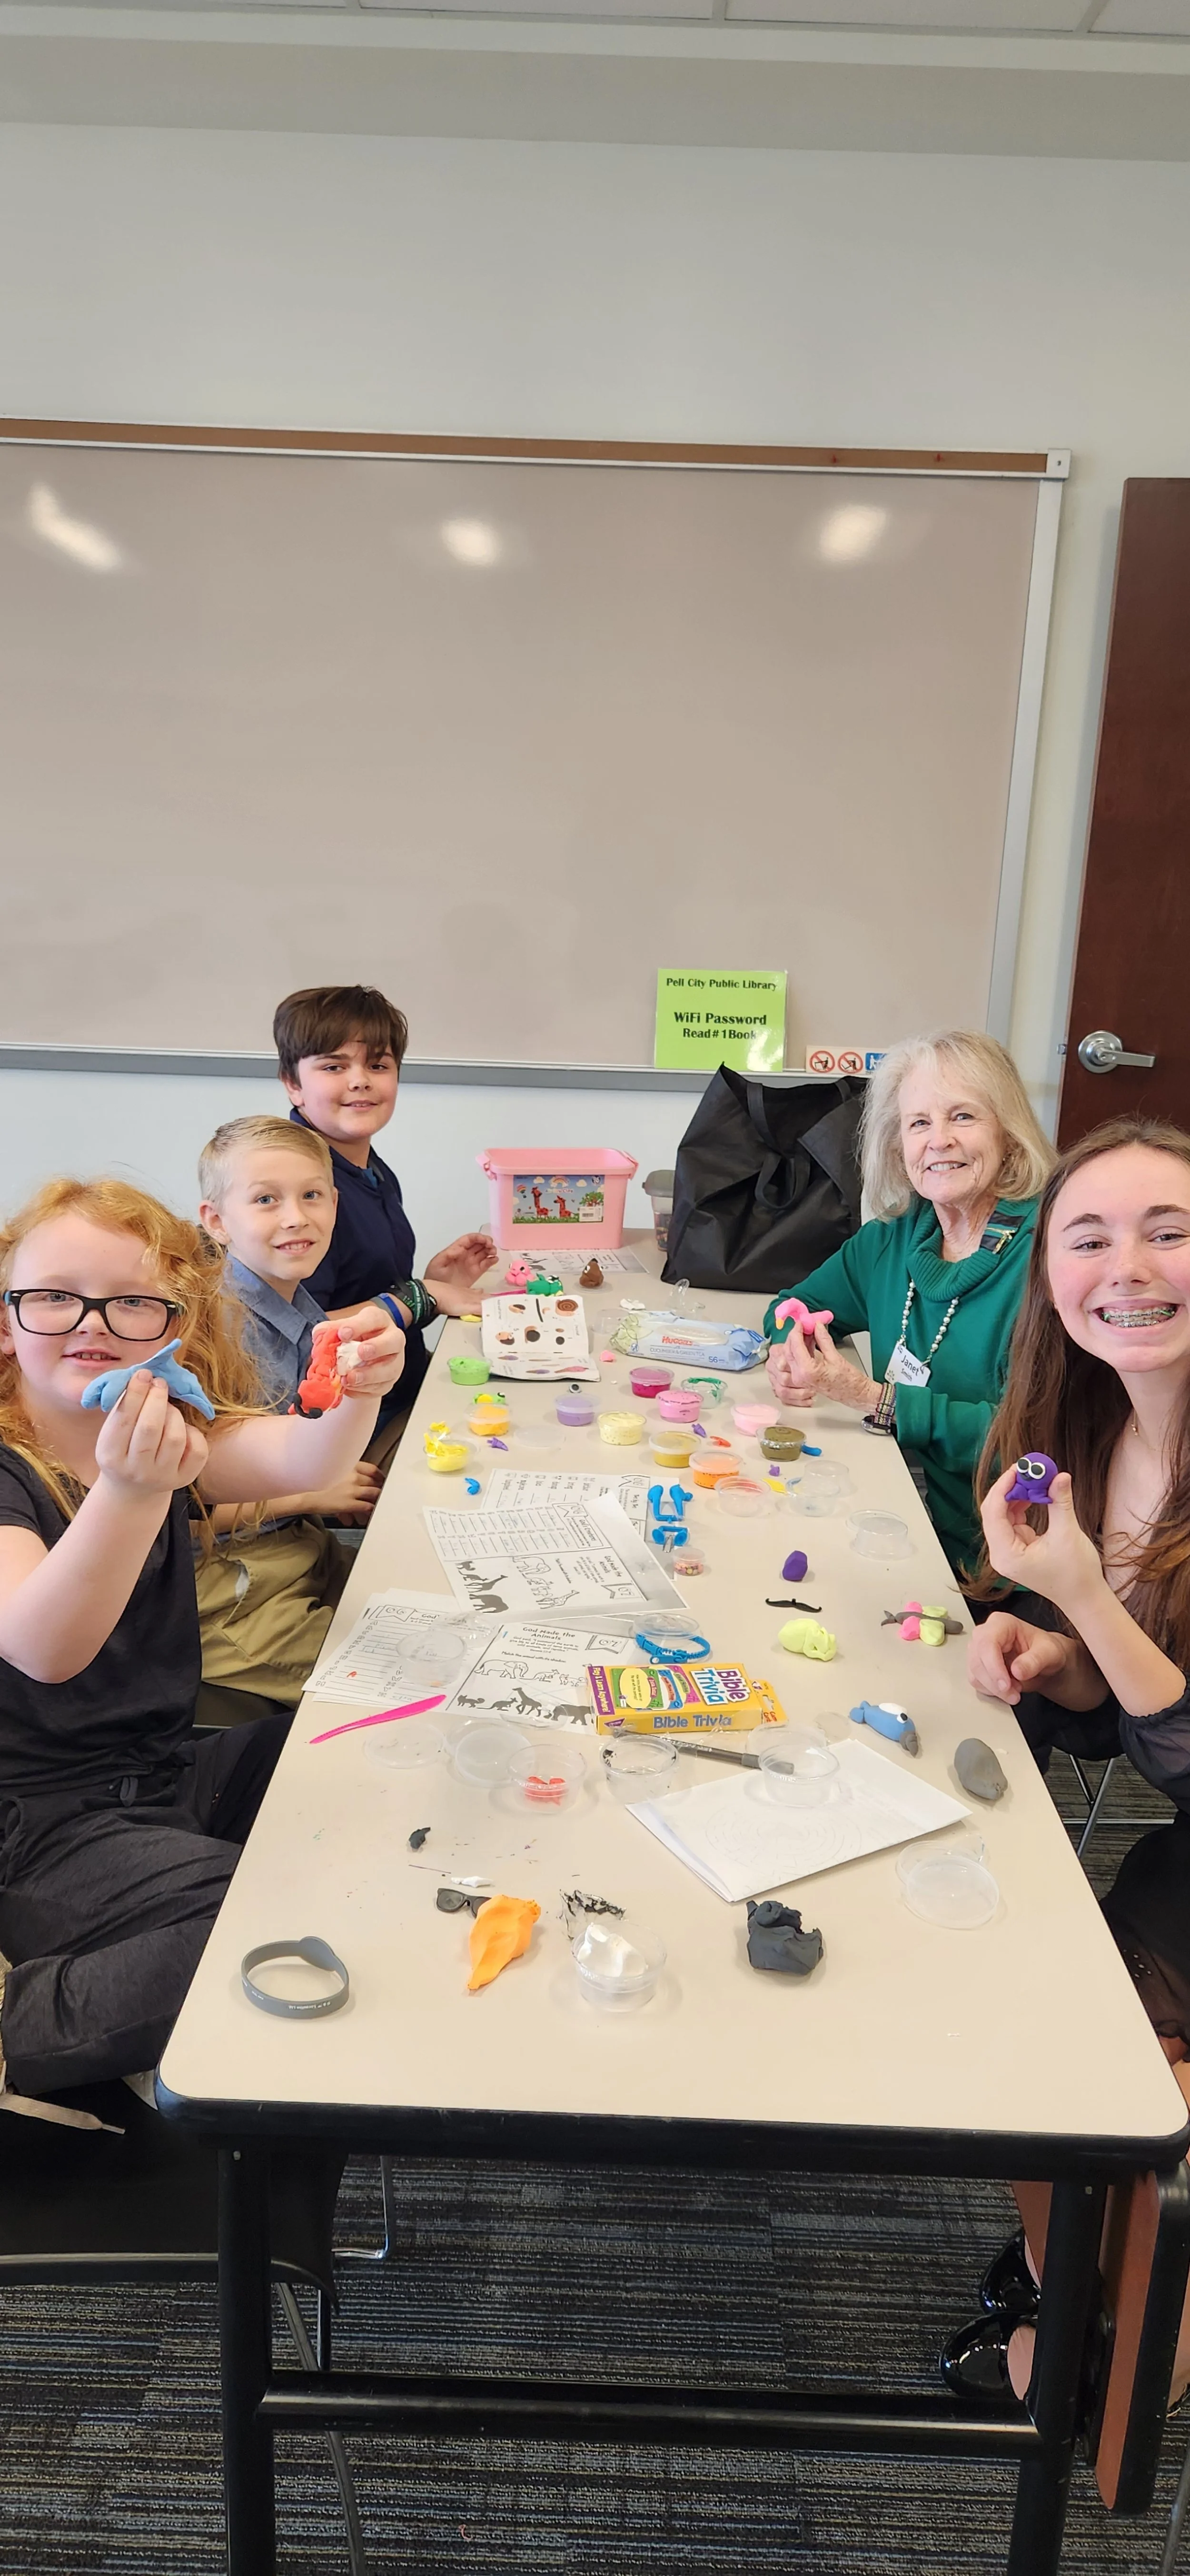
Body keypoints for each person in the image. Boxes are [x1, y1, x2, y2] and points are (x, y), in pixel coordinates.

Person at [0, 1174, 405, 2119]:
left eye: (131, 1301)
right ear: (7, 1321)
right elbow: (41, 1642)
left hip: (153, 1769)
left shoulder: (156, 1425)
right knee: (268, 1914)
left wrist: (355, 1386)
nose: (90, 1320)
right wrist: (130, 1491)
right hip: (34, 1824)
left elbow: (309, 1460)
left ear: (174, 1325)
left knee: (354, 1748)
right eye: (54, 1296)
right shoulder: (17, 1471)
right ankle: (22, 2026)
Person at [944, 1116, 1190, 2413]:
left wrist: (1084, 1601)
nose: (1125, 1266)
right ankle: (1070, 2285)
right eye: (1088, 1237)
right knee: (1035, 2022)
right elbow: (1126, 1719)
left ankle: (1117, 2345)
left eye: (1168, 1232)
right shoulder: (1093, 1431)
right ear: (1049, 1273)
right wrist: (1056, 1652)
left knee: (1128, 2105)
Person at [763, 1030, 1053, 1582]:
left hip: (1009, 1562)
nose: (938, 1140)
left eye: (963, 1116)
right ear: (897, 1145)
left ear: (1009, 1134)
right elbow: (792, 1305)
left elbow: (1032, 1450)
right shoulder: (894, 1239)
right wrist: (789, 1350)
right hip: (900, 1519)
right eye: (919, 1122)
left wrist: (878, 1400)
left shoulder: (1049, 1254)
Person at [192, 1113, 408, 1714]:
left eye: (311, 1195)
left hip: (298, 1547)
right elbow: (180, 1516)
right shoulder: (215, 1335)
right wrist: (312, 1493)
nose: (296, 1216)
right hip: (228, 1588)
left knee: (421, 1604)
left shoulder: (299, 1306)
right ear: (217, 1221)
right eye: (266, 1199)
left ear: (335, 1203)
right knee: (392, 1685)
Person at [274, 984, 495, 1455]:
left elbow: (371, 1293)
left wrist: (431, 1285)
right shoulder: (299, 1186)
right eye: (334, 1066)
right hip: (342, 1427)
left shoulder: (368, 1167)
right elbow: (292, 1336)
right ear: (293, 1083)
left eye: (378, 1065)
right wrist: (421, 1295)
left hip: (398, 1389)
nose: (361, 1080)